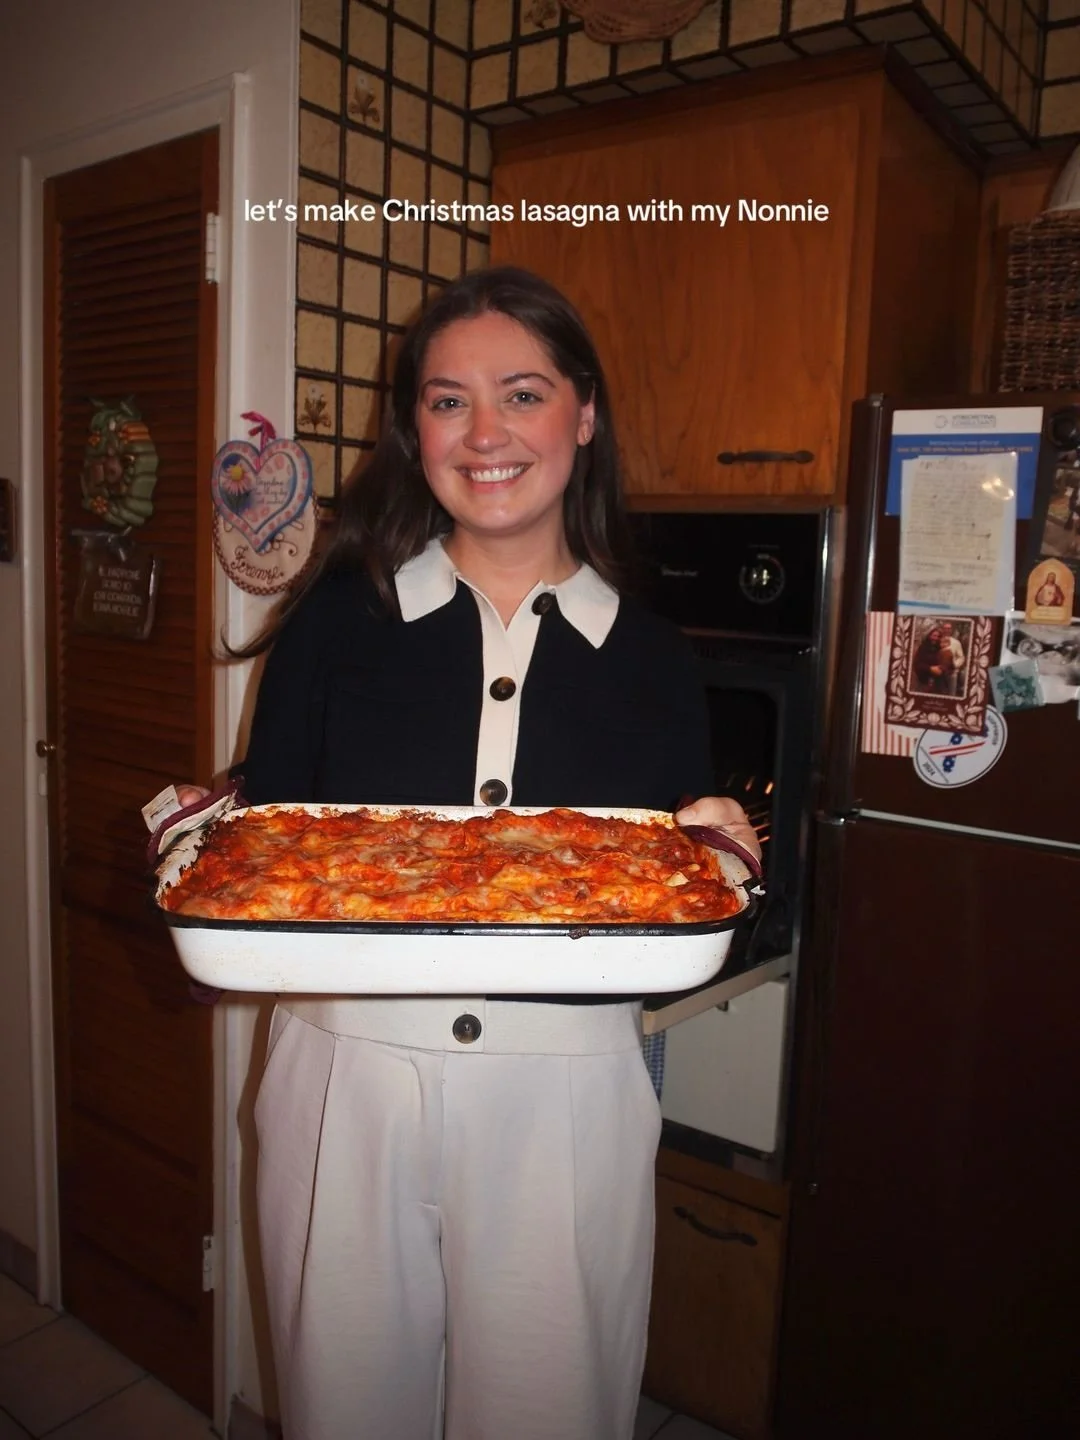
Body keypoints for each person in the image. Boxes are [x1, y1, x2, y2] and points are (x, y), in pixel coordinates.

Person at [178, 267, 758, 1440]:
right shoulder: (338, 616)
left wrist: (718, 852)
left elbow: (666, 889)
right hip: (346, 1083)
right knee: (342, 1411)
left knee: (551, 1411)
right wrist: (210, 825)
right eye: (447, 402)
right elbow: (275, 836)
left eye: (523, 394)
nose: (484, 434)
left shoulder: (651, 653)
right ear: (416, 430)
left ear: (583, 416)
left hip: (568, 1095)